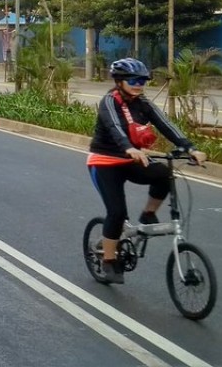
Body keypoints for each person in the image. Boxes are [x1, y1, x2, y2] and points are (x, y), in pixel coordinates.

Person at [88, 58, 206, 285]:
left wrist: (189, 147)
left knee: (164, 173)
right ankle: (109, 261)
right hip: (104, 162)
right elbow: (114, 127)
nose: (138, 84)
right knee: (117, 212)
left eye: (142, 80)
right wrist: (128, 148)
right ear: (119, 81)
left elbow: (165, 123)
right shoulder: (109, 102)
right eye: (133, 80)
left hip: (133, 159)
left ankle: (148, 214)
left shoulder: (143, 102)